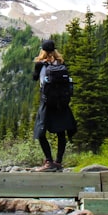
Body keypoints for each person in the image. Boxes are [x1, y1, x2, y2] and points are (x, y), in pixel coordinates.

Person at [32, 39, 77, 172]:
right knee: (61, 133)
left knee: (40, 132)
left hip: (47, 102)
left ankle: (48, 161)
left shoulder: (40, 64)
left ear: (43, 51)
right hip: (61, 104)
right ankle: (58, 162)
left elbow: (35, 78)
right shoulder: (62, 63)